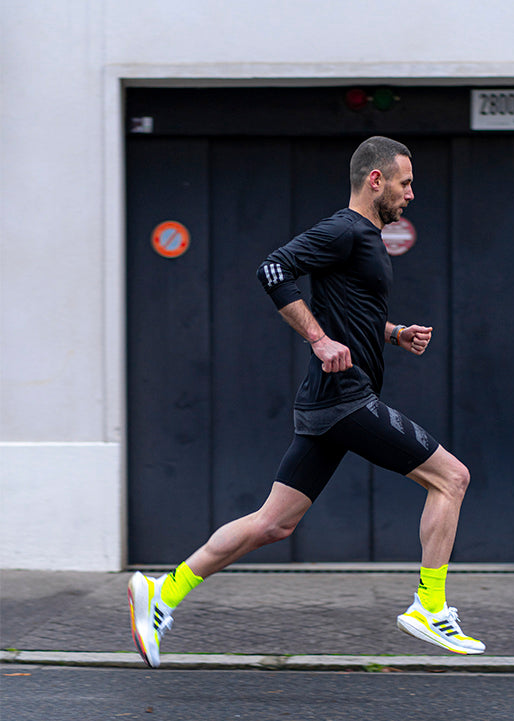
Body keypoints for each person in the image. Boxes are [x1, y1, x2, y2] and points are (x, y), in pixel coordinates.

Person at [127, 136, 485, 668]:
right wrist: (318, 340)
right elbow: (273, 270)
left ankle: (164, 593)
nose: (412, 194)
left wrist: (392, 333)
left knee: (274, 523)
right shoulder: (345, 228)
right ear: (375, 180)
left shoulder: (365, 239)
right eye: (405, 183)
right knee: (451, 478)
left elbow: (351, 310)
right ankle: (429, 607)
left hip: (326, 403)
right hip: (344, 397)